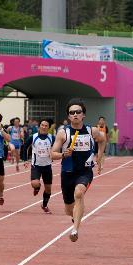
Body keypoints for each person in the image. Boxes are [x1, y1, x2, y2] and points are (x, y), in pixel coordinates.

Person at [51, 99, 106, 242]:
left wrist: (99, 157)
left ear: (83, 115)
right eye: (72, 113)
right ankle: (75, 217)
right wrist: (63, 154)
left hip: (84, 172)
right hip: (68, 172)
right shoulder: (63, 133)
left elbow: (103, 139)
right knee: (69, 209)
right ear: (69, 116)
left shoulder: (91, 131)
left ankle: (75, 230)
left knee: (79, 193)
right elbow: (52, 154)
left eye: (78, 112)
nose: (75, 114)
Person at [24, 119, 55, 214]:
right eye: (42, 125)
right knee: (35, 183)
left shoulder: (52, 138)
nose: (44, 127)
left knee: (48, 189)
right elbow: (25, 146)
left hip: (47, 166)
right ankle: (37, 187)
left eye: (46, 126)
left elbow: (58, 147)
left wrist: (54, 153)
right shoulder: (33, 137)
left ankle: (44, 205)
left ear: (48, 128)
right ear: (39, 126)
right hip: (36, 166)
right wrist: (25, 159)